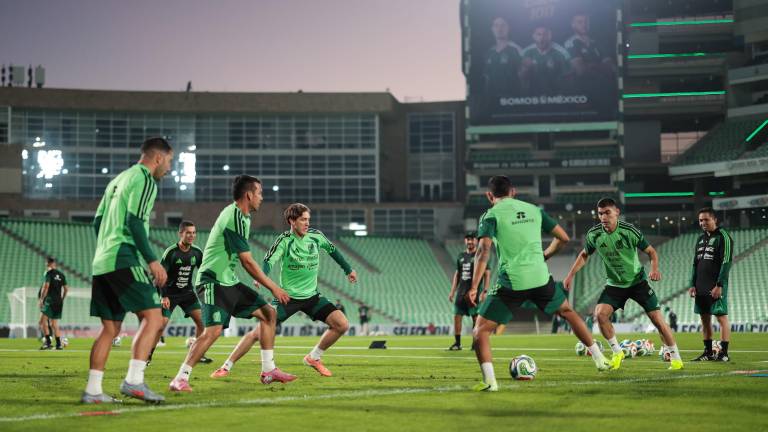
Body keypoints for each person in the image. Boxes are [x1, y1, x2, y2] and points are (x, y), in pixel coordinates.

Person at [469, 176, 610, 392]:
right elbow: (563, 238)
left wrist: (474, 286)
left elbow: (483, 249)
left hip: (512, 281)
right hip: (540, 278)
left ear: (489, 195)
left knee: (480, 331)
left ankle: (490, 382)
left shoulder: (490, 215)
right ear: (513, 192)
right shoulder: (534, 210)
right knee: (568, 312)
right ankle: (600, 360)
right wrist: (545, 255)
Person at [169, 175, 296, 392]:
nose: (262, 198)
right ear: (249, 195)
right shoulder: (235, 215)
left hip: (228, 281)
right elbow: (247, 261)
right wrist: (274, 287)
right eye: (259, 193)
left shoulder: (244, 217)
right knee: (213, 331)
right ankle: (180, 378)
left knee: (269, 314)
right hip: (212, 280)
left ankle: (269, 370)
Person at [211, 203, 357, 378]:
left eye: (308, 219)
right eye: (303, 219)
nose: (307, 223)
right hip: (287, 298)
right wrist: (261, 276)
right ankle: (226, 367)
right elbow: (269, 260)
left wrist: (348, 269)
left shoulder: (316, 236)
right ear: (292, 221)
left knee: (341, 324)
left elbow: (333, 251)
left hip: (312, 296)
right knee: (258, 332)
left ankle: (314, 357)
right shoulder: (284, 240)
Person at [83, 137, 173, 404]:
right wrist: (152, 260)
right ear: (158, 158)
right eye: (169, 161)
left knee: (110, 328)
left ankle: (93, 391)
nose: (169, 167)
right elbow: (134, 221)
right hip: (122, 257)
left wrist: (106, 248)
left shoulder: (117, 180)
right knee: (154, 318)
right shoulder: (145, 179)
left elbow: (97, 222)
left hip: (102, 261)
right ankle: (134, 381)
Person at [563, 198, 683, 371]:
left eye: (607, 213)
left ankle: (676, 358)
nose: (603, 217)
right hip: (614, 285)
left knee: (658, 321)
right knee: (600, 314)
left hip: (637, 282)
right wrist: (570, 275)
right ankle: (617, 352)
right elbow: (584, 254)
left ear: (617, 212)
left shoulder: (629, 231)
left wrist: (654, 269)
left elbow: (651, 251)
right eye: (600, 213)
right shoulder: (594, 234)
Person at [148, 220, 211, 365]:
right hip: (169, 294)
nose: (192, 235)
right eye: (188, 233)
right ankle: (147, 355)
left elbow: (203, 272)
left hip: (187, 293)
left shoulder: (197, 252)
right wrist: (163, 296)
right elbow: (160, 276)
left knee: (202, 322)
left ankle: (198, 354)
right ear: (180, 234)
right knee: (161, 325)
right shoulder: (171, 252)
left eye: (194, 233)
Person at [689, 207, 733, 362]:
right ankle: (708, 352)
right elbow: (695, 263)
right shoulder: (700, 239)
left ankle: (724, 353)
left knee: (721, 318)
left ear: (715, 220)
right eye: (700, 220)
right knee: (705, 319)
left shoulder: (723, 237)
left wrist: (719, 285)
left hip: (716, 286)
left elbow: (726, 262)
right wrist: (692, 284)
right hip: (700, 285)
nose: (703, 223)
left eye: (706, 219)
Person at [448, 232, 490, 350]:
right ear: (465, 241)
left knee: (475, 318)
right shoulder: (460, 256)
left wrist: (485, 291)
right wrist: (452, 291)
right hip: (460, 293)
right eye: (468, 239)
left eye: (472, 239)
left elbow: (487, 274)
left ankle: (475, 343)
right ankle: (457, 343)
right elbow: (457, 274)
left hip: (473, 293)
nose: (470, 241)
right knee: (457, 317)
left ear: (476, 241)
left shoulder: (480, 255)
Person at [520, 26, 570, 95]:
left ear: (550, 36)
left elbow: (568, 78)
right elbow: (520, 79)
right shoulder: (526, 52)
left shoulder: (561, 53)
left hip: (556, 96)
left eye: (545, 34)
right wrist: (525, 68)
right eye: (539, 34)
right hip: (533, 97)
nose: (542, 38)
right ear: (533, 36)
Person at [484, 17, 523, 97]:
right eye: (496, 25)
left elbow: (524, 78)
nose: (499, 29)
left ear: (508, 28)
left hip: (511, 99)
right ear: (492, 29)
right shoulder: (489, 52)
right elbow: (487, 78)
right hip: (492, 100)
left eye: (503, 25)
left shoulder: (516, 49)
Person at [38, 257, 68, 350]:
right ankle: (59, 345)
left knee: (42, 321)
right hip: (58, 301)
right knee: (54, 324)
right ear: (55, 264)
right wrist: (62, 298)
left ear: (48, 264)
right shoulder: (61, 275)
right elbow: (66, 289)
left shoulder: (48, 273)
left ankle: (48, 343)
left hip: (50, 300)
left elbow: (46, 287)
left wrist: (41, 299)